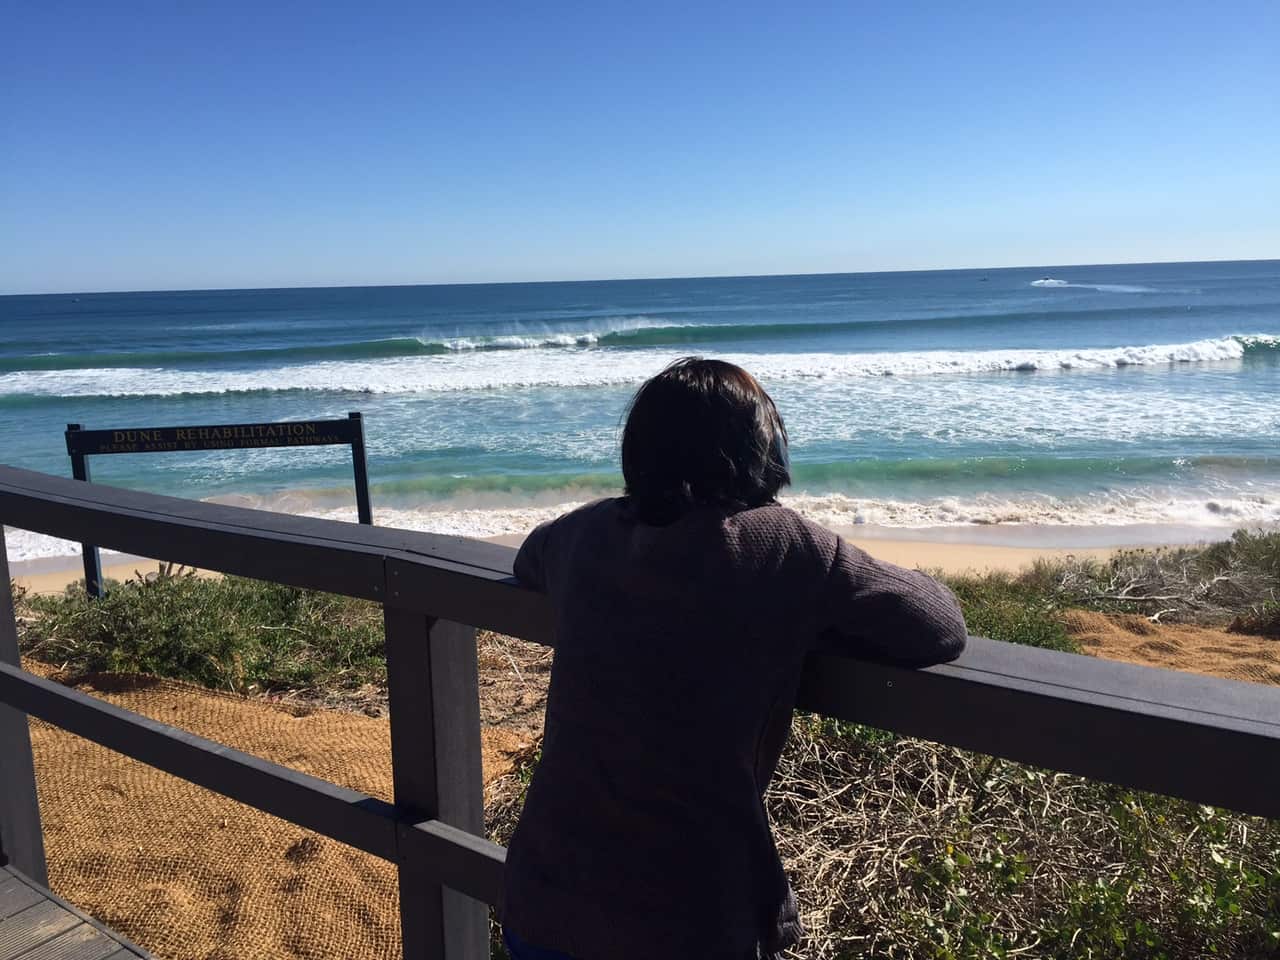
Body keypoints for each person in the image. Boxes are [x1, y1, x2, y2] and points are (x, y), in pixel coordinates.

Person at [501, 357, 967, 960]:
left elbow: (528, 559)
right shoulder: (785, 545)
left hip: (543, 900)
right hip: (688, 920)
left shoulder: (584, 533)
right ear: (761, 450)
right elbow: (938, 625)